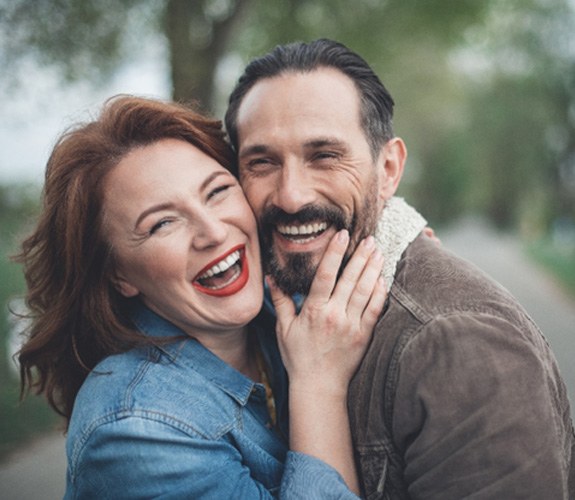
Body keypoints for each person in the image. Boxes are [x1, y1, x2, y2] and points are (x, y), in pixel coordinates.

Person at [225, 39, 575, 499]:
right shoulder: (277, 303)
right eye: (262, 162)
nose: (291, 195)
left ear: (388, 168)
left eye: (324, 156)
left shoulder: (458, 343)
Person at [16, 95, 388, 498]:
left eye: (217, 192)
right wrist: (318, 384)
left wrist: (403, 243)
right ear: (119, 275)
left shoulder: (278, 305)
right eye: (162, 224)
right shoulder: (136, 429)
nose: (212, 231)